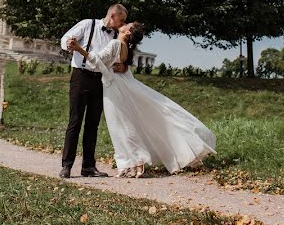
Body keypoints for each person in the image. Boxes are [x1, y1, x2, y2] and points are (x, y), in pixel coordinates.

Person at [72, 22, 216, 178]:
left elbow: (98, 60)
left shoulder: (115, 43)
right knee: (122, 125)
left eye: (127, 24)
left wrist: (79, 49)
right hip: (118, 86)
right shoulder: (124, 46)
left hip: (114, 88)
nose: (123, 24)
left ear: (128, 33)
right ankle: (129, 164)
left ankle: (137, 162)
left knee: (121, 126)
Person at [58, 4, 128, 178]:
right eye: (122, 19)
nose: (122, 24)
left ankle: (88, 167)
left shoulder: (117, 37)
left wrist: (122, 66)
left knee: (93, 124)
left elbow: (122, 59)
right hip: (81, 77)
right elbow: (66, 38)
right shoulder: (88, 24)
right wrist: (69, 43)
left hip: (101, 81)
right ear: (113, 15)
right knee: (75, 121)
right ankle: (66, 165)